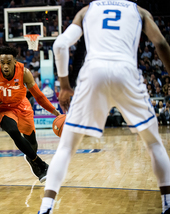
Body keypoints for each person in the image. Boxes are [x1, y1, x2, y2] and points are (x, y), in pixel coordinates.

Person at [38, 1, 170, 214]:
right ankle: (167, 203)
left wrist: (64, 86)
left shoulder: (87, 10)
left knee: (66, 147)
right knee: (154, 143)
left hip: (93, 72)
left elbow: (60, 45)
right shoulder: (140, 11)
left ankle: (46, 208)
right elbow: (161, 44)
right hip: (126, 71)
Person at [0, 46, 61, 183]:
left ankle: (31, 157)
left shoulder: (24, 72)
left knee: (32, 142)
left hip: (22, 106)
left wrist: (56, 113)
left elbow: (39, 97)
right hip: (2, 108)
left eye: (8, 62)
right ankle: (40, 164)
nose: (5, 66)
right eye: (2, 62)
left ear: (15, 61)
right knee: (13, 131)